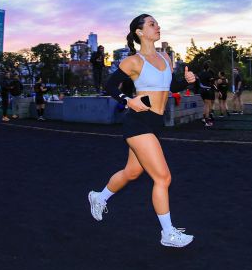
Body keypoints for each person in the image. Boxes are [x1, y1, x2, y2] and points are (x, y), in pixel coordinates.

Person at [88, 14, 196, 248]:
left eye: (157, 23)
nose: (158, 26)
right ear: (139, 32)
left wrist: (186, 81)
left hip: (155, 123)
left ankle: (99, 197)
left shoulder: (165, 57)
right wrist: (128, 100)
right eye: (152, 24)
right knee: (163, 177)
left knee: (132, 173)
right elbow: (109, 85)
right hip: (137, 123)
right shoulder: (134, 61)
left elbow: (170, 86)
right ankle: (167, 233)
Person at [198, 62, 216, 127]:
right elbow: (212, 82)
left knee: (205, 105)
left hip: (201, 90)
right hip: (207, 90)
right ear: (208, 67)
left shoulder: (200, 73)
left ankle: (204, 118)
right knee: (208, 106)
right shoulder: (209, 74)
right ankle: (207, 121)